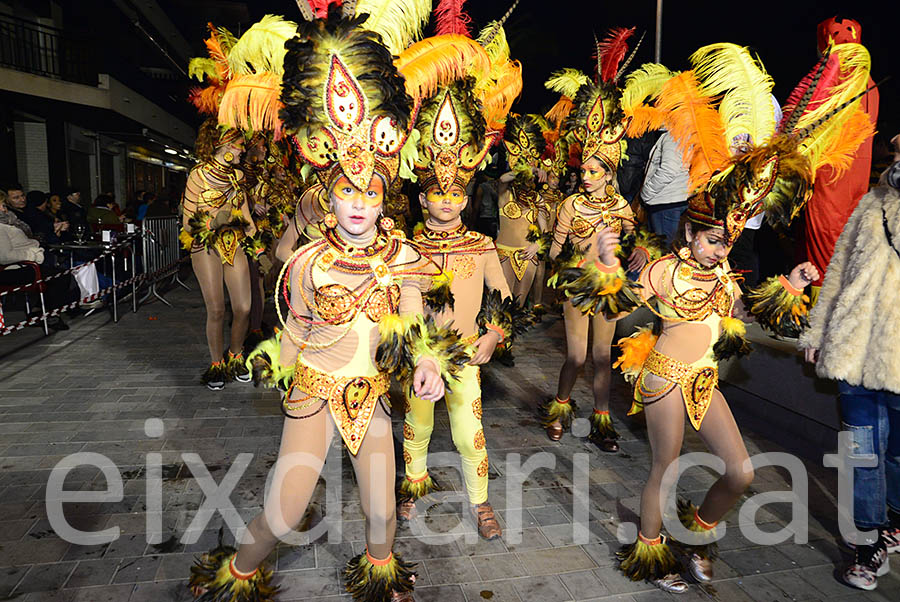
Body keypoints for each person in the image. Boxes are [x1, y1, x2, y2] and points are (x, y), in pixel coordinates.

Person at [566, 40, 873, 592]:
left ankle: (697, 533)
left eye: (726, 239)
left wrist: (790, 284)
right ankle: (650, 553)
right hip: (663, 380)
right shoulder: (664, 271)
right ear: (688, 231)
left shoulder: (727, 276)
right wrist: (606, 262)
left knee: (742, 472)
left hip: (705, 381)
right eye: (710, 238)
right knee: (665, 467)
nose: (718, 248)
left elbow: (752, 315)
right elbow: (610, 301)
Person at [187, 12, 465, 602]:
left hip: (371, 394)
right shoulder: (307, 259)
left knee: (383, 516)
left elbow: (416, 312)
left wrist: (429, 362)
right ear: (329, 194)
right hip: (314, 390)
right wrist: (280, 367)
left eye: (369, 192)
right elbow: (298, 324)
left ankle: (380, 577)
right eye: (347, 191)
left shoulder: (403, 254)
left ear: (385, 192)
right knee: (285, 514)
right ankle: (235, 576)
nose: (359, 203)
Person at [397, 72, 521, 541]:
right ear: (422, 195)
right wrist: (414, 351)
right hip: (419, 354)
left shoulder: (481, 244)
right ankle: (412, 487)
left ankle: (480, 500)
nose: (445, 201)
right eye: (437, 193)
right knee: (418, 422)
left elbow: (502, 297)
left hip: (467, 353)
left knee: (469, 431)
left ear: (465, 198)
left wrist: (493, 333)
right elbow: (404, 301)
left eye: (454, 194)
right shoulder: (407, 247)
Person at [539, 35, 651, 452]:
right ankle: (560, 405)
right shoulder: (569, 205)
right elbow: (555, 252)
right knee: (577, 358)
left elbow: (632, 244)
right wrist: (571, 268)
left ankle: (602, 422)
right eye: (583, 170)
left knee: (603, 357)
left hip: (608, 287)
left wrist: (629, 252)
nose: (585, 176)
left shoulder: (622, 206)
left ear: (608, 174)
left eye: (593, 171)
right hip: (576, 289)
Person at [799, 136, 900, 591]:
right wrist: (819, 331)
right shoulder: (869, 204)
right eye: (895, 156)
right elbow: (838, 269)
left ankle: (894, 522)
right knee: (862, 451)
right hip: (853, 348)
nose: (896, 164)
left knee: (896, 453)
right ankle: (867, 542)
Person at [802, 16, 879, 304]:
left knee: (825, 246)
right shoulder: (869, 82)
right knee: (845, 244)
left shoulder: (832, 79)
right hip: (856, 180)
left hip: (828, 179)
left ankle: (822, 314)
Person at [179, 121, 257, 390]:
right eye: (237, 144)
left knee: (244, 307)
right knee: (217, 310)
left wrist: (255, 237)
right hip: (206, 245)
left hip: (234, 243)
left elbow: (245, 215)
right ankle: (216, 364)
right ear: (220, 145)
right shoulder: (197, 176)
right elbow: (189, 222)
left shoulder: (238, 177)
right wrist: (215, 222)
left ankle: (235, 356)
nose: (242, 149)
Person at [495, 114, 552, 306]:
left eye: (531, 178)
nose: (528, 180)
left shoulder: (538, 200)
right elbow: (502, 179)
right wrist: (529, 168)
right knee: (503, 304)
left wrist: (537, 246)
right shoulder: (506, 196)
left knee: (518, 305)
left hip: (528, 256)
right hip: (504, 254)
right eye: (525, 176)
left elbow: (545, 231)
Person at [640, 130, 690, 244]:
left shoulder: (673, 137)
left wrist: (646, 193)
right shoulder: (687, 134)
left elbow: (668, 170)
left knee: (664, 250)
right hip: (674, 199)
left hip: (665, 202)